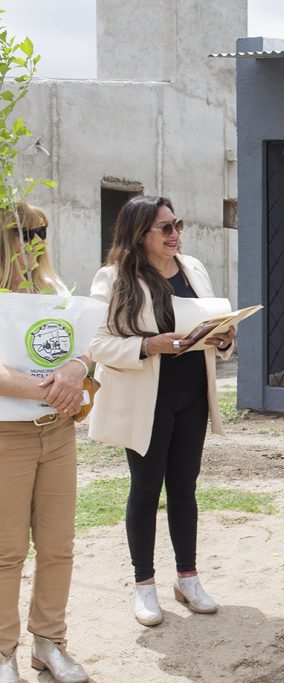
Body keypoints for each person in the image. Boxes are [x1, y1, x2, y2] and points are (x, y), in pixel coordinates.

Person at [88, 195, 235, 628]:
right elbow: (95, 343)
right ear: (139, 234)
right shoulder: (114, 277)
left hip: (192, 395)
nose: (175, 234)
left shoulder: (194, 268)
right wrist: (146, 345)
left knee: (185, 487)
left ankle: (187, 579)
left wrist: (223, 339)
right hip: (146, 399)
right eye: (165, 228)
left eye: (178, 224)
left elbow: (209, 321)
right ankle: (144, 585)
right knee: (147, 488)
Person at [0, 204, 90, 683]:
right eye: (24, 231)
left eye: (42, 230)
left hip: (56, 434)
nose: (36, 240)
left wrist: (76, 370)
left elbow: (86, 346)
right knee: (6, 550)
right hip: (6, 438)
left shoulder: (54, 292)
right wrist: (50, 389)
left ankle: (49, 643)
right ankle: (2, 651)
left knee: (58, 546)